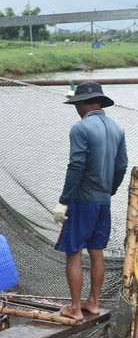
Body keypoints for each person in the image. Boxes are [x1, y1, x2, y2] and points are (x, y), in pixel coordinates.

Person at [53, 81, 127, 321]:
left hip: (82, 200)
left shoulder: (81, 128)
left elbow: (76, 165)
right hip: (103, 202)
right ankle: (93, 302)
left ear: (85, 103)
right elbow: (122, 165)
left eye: (77, 104)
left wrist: (64, 201)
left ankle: (75, 308)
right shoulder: (117, 128)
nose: (76, 108)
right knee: (97, 252)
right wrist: (110, 190)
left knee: (73, 253)